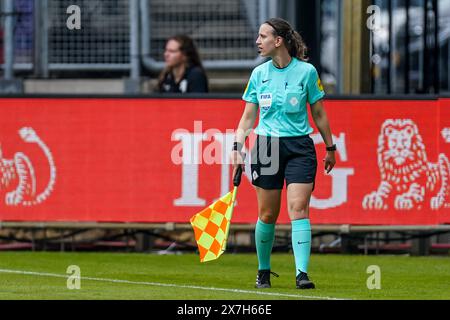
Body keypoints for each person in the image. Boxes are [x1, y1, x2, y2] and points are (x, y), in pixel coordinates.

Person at [230, 18, 336, 290]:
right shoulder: (258, 75)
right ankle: (263, 270)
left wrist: (330, 147)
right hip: (266, 147)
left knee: (299, 209)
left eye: (262, 36)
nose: (258, 41)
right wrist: (237, 148)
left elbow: (320, 113)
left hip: (300, 147)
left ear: (278, 41)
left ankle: (302, 273)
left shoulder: (307, 72)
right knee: (267, 215)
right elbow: (246, 119)